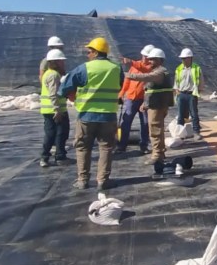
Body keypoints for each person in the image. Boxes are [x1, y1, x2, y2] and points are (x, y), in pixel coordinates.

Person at [58, 37, 123, 190]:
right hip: (108, 115)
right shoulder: (116, 68)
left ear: (95, 52)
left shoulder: (84, 68)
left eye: (89, 51)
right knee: (106, 148)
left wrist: (71, 96)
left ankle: (82, 180)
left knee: (83, 148)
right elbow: (120, 85)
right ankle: (103, 181)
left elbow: (63, 89)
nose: (88, 54)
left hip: (87, 115)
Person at [125, 48, 174, 170]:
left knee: (155, 131)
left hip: (157, 106)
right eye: (150, 59)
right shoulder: (160, 71)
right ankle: (160, 152)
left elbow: (145, 77)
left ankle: (157, 154)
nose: (150, 61)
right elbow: (152, 90)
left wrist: (125, 75)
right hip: (157, 104)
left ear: (160, 60)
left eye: (153, 59)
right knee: (158, 129)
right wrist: (145, 103)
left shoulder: (159, 72)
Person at [115, 44, 154, 154]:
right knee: (126, 122)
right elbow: (127, 80)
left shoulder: (151, 68)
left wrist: (131, 62)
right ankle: (122, 145)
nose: (144, 58)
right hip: (131, 99)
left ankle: (144, 145)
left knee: (145, 123)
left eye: (146, 56)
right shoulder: (135, 66)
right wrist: (122, 93)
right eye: (143, 55)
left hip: (144, 100)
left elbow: (144, 69)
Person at [39, 49, 69, 167]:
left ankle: (46, 157)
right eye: (61, 61)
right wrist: (57, 110)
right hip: (56, 111)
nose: (63, 63)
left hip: (48, 110)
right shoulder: (54, 75)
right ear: (55, 62)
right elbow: (53, 94)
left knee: (51, 134)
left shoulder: (48, 73)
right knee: (60, 133)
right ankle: (59, 157)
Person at [174, 48, 204, 141]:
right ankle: (180, 133)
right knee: (181, 114)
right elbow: (176, 81)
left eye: (184, 58)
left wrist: (198, 91)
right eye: (182, 58)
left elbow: (201, 81)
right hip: (181, 94)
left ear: (190, 58)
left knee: (194, 114)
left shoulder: (196, 68)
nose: (183, 60)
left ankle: (196, 132)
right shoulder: (179, 68)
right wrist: (177, 91)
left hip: (191, 94)